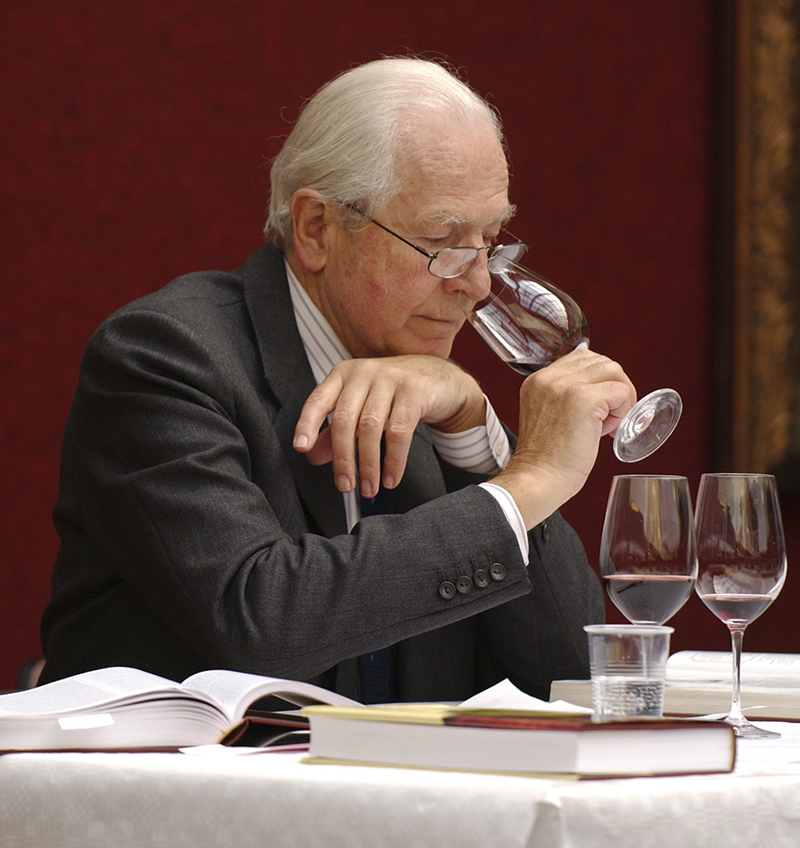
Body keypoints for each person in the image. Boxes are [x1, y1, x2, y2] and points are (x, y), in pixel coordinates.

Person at [39, 57, 635, 703]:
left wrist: (475, 440)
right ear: (317, 228)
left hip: (402, 795)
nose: (479, 283)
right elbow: (263, 626)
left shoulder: (432, 390)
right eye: (442, 240)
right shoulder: (167, 356)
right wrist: (531, 480)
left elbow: (573, 675)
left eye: (490, 239)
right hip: (199, 793)